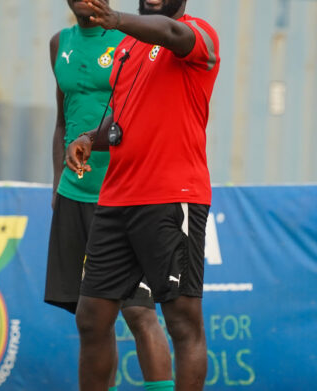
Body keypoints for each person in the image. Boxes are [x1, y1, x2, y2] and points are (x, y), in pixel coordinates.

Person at [65, 0, 220, 389]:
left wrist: (117, 21)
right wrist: (87, 139)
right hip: (117, 198)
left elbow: (170, 33)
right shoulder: (126, 48)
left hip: (171, 197)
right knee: (91, 316)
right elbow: (121, 122)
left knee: (182, 321)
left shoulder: (197, 33)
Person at [44, 1, 173, 390]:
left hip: (123, 195)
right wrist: (56, 183)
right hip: (74, 194)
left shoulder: (129, 38)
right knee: (91, 318)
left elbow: (144, 114)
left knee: (139, 313)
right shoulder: (58, 43)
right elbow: (62, 119)